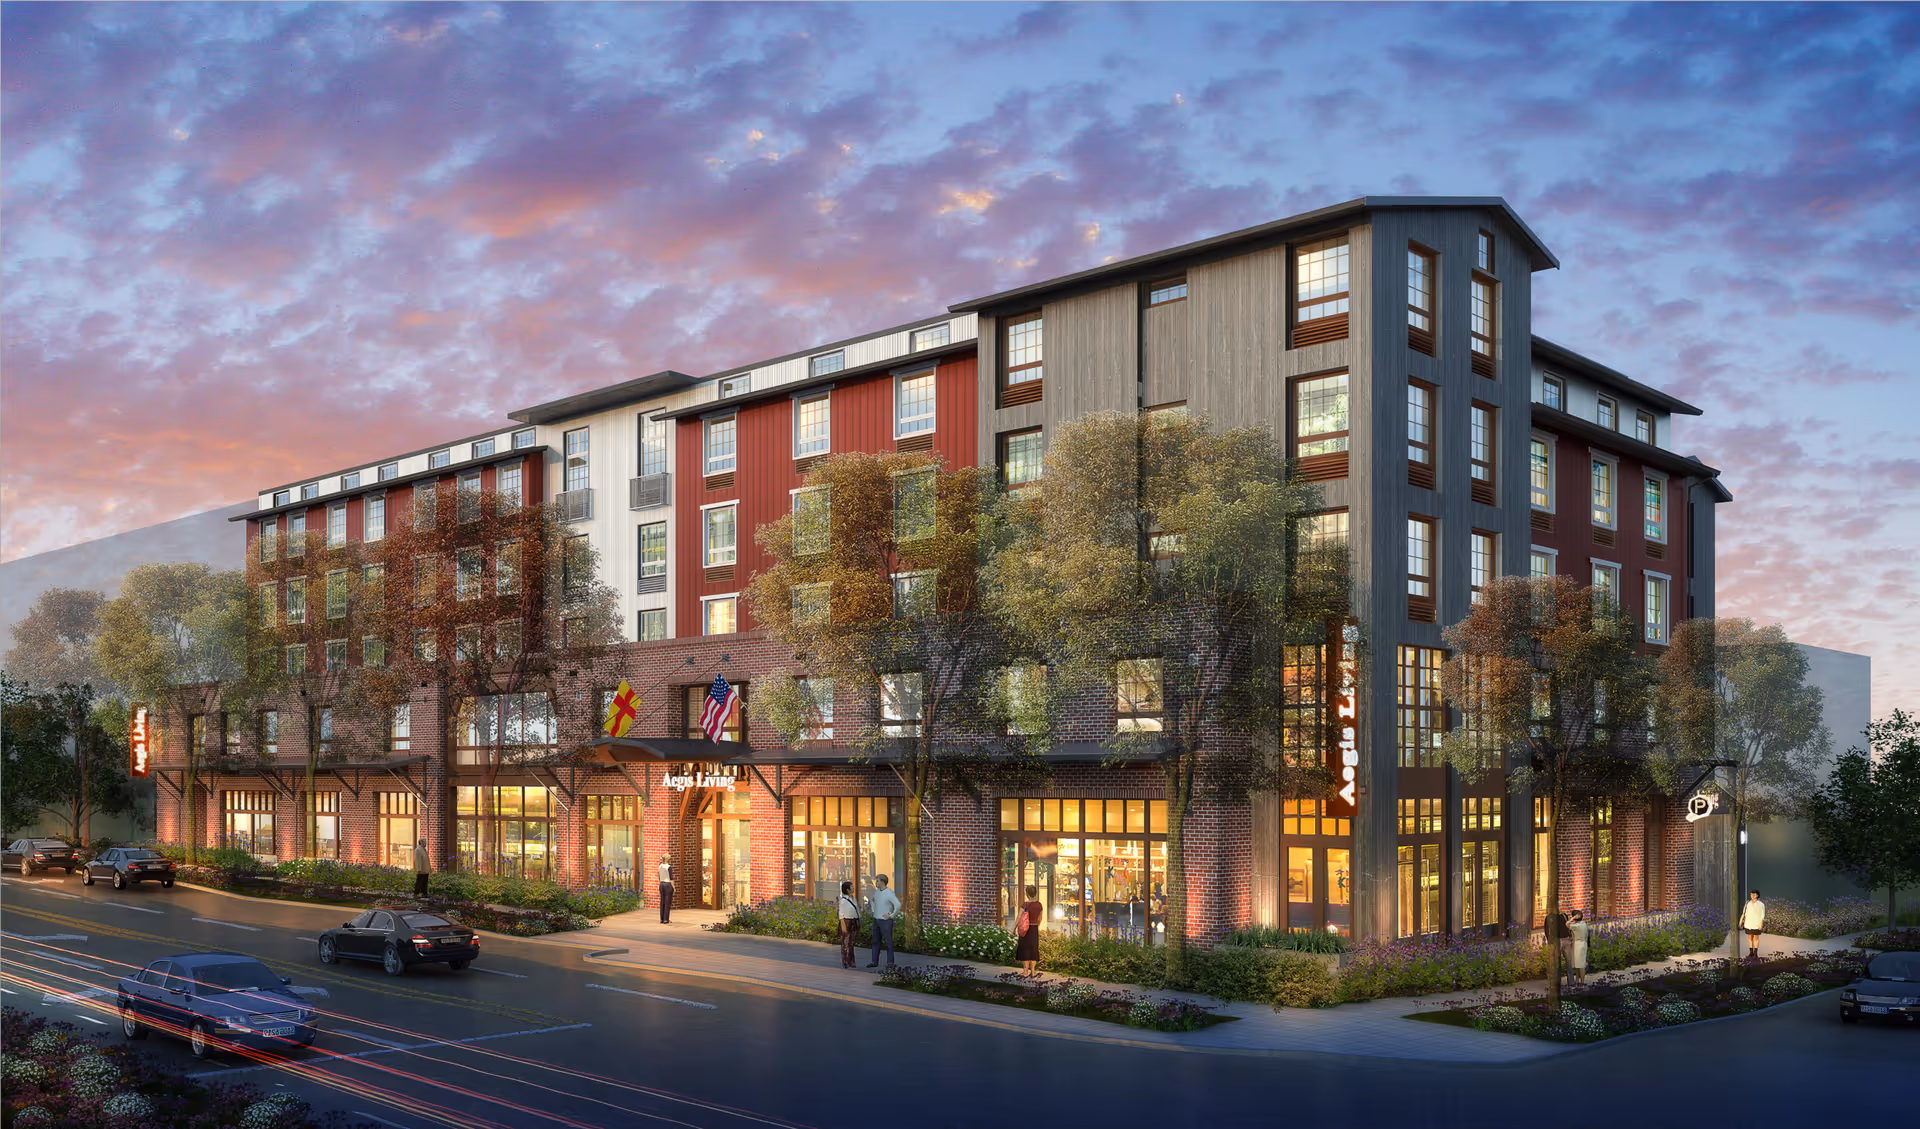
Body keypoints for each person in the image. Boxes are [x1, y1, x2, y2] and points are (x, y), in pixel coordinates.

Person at [866, 874, 901, 968]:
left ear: (882, 881)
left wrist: (891, 915)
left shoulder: (889, 893)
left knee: (888, 942)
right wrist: (873, 911)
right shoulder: (877, 892)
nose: (876, 883)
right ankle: (874, 961)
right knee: (875, 941)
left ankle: (890, 963)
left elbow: (898, 905)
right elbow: (872, 901)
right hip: (876, 920)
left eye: (877, 881)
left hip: (885, 921)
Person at [1015, 884, 1043, 974]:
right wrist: (1036, 926)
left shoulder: (1025, 905)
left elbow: (1018, 918)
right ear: (1035, 893)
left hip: (1025, 929)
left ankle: (1025, 971)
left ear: (1027, 893)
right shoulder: (1039, 905)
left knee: (1025, 949)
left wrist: (1013, 929)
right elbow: (1040, 919)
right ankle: (1033, 971)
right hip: (1034, 928)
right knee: (1033, 949)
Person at [1543, 906, 1571, 986]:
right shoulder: (1549, 918)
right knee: (1557, 963)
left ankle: (1570, 982)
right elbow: (1546, 930)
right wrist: (1550, 942)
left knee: (1568, 962)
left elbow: (1568, 926)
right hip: (1557, 941)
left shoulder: (1564, 915)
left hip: (1565, 940)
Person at [837, 881, 861, 969]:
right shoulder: (843, 900)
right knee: (845, 943)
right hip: (846, 921)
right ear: (847, 890)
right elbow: (841, 914)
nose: (853, 888)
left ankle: (852, 961)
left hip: (854, 921)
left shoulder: (854, 899)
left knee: (852, 943)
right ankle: (845, 961)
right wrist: (843, 926)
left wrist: (859, 919)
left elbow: (857, 910)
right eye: (852, 887)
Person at [1741, 889, 1767, 959]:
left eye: (1754, 894)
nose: (1753, 896)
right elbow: (1744, 913)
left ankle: (1756, 953)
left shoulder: (1761, 904)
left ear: (1757, 895)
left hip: (1756, 924)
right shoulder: (1747, 903)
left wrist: (1761, 923)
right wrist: (1741, 921)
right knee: (1750, 937)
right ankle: (1751, 952)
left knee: (1756, 938)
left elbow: (1762, 915)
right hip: (1748, 923)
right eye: (1752, 894)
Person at [1568, 910, 1590, 987]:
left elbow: (1567, 924)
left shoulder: (1576, 926)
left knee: (1580, 964)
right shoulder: (1583, 923)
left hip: (1578, 944)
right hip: (1581, 943)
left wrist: (1571, 918)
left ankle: (1582, 982)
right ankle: (1578, 981)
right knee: (1578, 964)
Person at [658, 854, 674, 925]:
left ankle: (661, 918)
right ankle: (666, 919)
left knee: (662, 901)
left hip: (661, 884)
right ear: (668, 859)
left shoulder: (660, 866)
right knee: (667, 902)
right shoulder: (668, 867)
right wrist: (673, 887)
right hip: (667, 884)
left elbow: (659, 876)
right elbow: (671, 878)